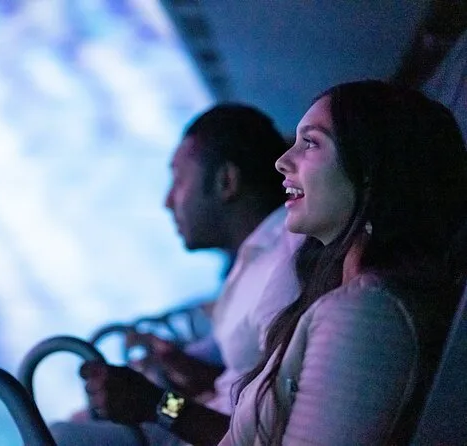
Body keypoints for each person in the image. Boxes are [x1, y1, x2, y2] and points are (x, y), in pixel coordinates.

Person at [77, 80, 467, 445]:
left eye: (310, 143)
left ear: (368, 171)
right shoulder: (339, 297)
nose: (281, 161)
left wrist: (159, 406)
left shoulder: (362, 315)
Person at [50, 104, 304, 445]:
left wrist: (155, 404)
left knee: (61, 437)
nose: (168, 201)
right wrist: (182, 367)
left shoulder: (281, 269)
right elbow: (245, 382)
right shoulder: (255, 257)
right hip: (210, 419)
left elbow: (265, 438)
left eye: (179, 180)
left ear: (226, 181)